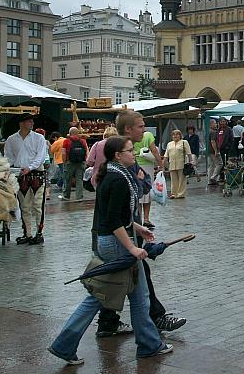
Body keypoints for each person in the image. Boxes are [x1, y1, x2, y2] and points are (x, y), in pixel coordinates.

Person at [47, 137, 173, 366]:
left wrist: (137, 228)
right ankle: (65, 344)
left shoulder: (114, 175)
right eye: (128, 151)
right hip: (116, 244)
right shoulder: (118, 179)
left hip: (114, 239)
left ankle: (149, 344)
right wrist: (132, 247)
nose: (133, 153)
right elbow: (114, 220)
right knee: (101, 297)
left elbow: (114, 215)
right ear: (117, 155)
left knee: (137, 296)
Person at [96, 111, 186, 338]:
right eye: (140, 126)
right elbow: (117, 200)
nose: (144, 130)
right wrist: (131, 245)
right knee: (131, 278)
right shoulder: (118, 157)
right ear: (127, 130)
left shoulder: (123, 155)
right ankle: (152, 328)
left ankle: (110, 323)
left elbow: (139, 187)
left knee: (116, 279)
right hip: (115, 231)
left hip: (120, 228)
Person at [4, 113, 48, 244]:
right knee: (24, 205)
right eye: (29, 121)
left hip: (36, 174)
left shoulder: (39, 138)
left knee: (38, 205)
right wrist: (10, 168)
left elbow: (41, 156)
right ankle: (27, 233)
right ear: (21, 123)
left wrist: (30, 167)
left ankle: (39, 233)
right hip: (20, 174)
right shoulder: (11, 139)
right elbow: (9, 157)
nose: (32, 124)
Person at [134, 127, 163, 229]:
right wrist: (160, 164)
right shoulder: (149, 135)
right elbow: (154, 150)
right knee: (147, 191)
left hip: (135, 164)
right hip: (147, 165)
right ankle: (146, 218)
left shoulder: (131, 137)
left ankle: (139, 218)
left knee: (138, 192)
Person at [61, 127, 89, 201]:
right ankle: (79, 197)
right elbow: (86, 151)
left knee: (68, 179)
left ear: (69, 133)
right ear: (78, 133)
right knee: (79, 179)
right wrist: (85, 161)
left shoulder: (66, 141)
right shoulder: (83, 141)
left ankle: (66, 196)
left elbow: (63, 153)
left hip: (70, 162)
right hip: (81, 162)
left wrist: (64, 162)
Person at [164, 130, 191, 199]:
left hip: (182, 163)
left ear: (180, 135)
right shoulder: (169, 144)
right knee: (173, 180)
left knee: (182, 179)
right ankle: (173, 193)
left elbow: (188, 153)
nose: (175, 136)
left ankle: (180, 194)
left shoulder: (184, 142)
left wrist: (191, 161)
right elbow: (166, 154)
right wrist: (164, 163)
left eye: (177, 134)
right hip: (172, 163)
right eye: (173, 134)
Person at [207, 119, 221, 185]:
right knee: (219, 164)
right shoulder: (213, 132)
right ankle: (213, 177)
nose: (216, 124)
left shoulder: (208, 131)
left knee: (211, 166)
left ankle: (209, 181)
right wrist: (216, 150)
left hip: (208, 150)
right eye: (215, 123)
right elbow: (213, 141)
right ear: (211, 124)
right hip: (213, 150)